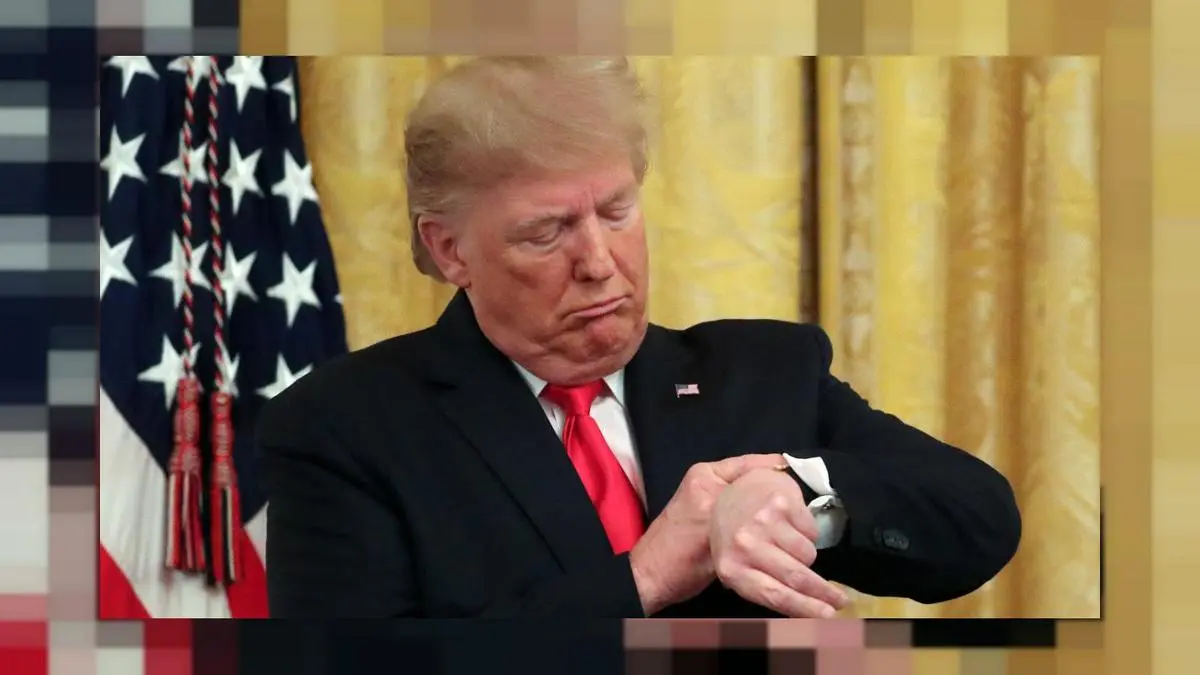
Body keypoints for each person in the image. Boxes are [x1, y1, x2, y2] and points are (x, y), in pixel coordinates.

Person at [257, 56, 1021, 619]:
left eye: (616, 211)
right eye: (546, 231)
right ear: (450, 249)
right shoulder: (345, 425)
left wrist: (799, 495)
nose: (599, 261)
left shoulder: (762, 372)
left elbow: (979, 519)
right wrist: (641, 578)